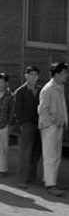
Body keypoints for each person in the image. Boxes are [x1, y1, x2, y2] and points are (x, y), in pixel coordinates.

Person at [37, 62, 68, 197]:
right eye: (64, 73)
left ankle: (50, 180)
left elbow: (63, 106)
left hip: (58, 126)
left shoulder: (60, 87)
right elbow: (42, 110)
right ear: (57, 74)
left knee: (57, 155)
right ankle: (50, 185)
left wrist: (64, 122)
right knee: (50, 156)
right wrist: (51, 124)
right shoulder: (48, 89)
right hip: (49, 127)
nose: (66, 75)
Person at [13, 66, 42, 189]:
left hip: (40, 125)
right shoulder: (20, 91)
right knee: (25, 152)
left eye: (35, 75)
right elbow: (17, 111)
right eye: (30, 74)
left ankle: (32, 177)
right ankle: (22, 179)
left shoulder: (41, 90)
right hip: (27, 125)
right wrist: (23, 123)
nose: (33, 77)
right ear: (26, 76)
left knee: (36, 152)